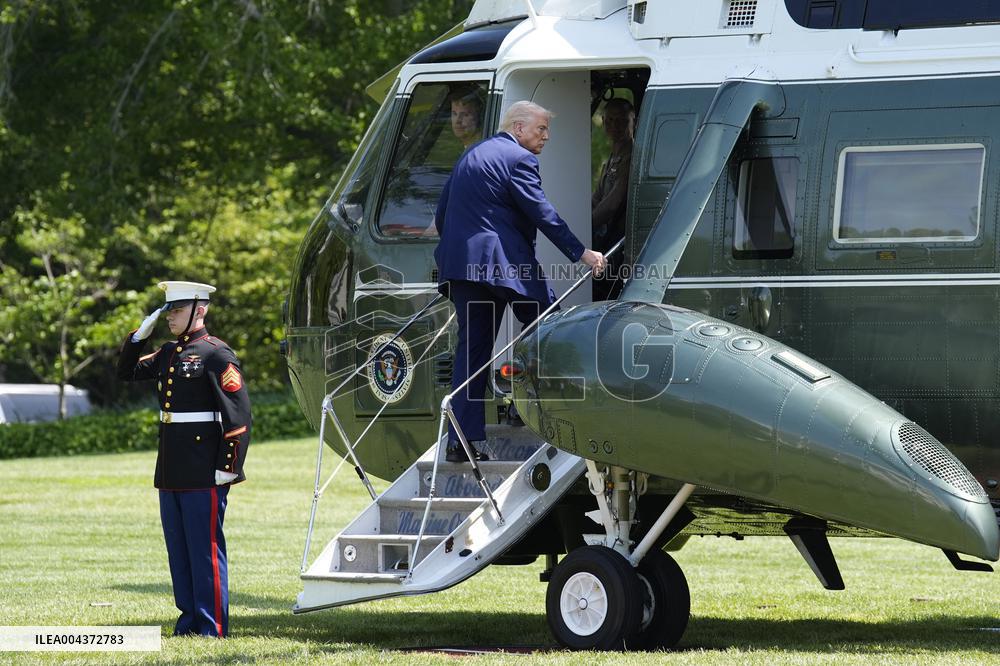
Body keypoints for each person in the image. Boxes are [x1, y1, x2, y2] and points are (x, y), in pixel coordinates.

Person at [434, 100, 605, 463]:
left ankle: (462, 441)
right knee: (551, 325)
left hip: (462, 267)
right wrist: (582, 254)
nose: (547, 137)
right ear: (518, 128)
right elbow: (542, 213)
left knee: (473, 353)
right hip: (504, 265)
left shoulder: (473, 154)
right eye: (541, 129)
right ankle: (526, 407)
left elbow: (441, 213)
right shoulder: (519, 159)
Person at [116, 281, 251, 638]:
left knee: (204, 550)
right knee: (179, 550)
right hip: (172, 467)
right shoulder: (166, 353)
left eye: (177, 310)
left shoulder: (217, 354)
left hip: (204, 468)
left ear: (200, 310)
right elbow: (125, 372)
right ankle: (189, 620)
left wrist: (228, 466)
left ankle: (212, 626)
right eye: (168, 311)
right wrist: (137, 338)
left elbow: (238, 417)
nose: (170, 317)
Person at [591, 98, 635, 300]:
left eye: (621, 121)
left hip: (619, 246)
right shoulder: (613, 156)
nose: (614, 126)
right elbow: (598, 198)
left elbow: (612, 204)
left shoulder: (631, 156)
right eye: (610, 121)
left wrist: (584, 227)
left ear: (632, 121)